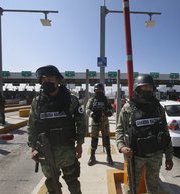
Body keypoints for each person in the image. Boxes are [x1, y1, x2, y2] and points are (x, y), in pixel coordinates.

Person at [27, 65, 86, 194]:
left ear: (58, 80)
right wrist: (33, 148)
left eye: (50, 78)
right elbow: (32, 126)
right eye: (44, 79)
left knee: (73, 184)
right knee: (52, 186)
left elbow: (81, 122)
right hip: (46, 152)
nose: (47, 81)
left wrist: (80, 144)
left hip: (67, 151)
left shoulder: (71, 100)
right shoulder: (37, 102)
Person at [116, 74, 174, 194]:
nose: (148, 89)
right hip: (135, 156)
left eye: (150, 87)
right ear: (137, 88)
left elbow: (165, 133)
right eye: (145, 87)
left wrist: (169, 157)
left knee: (153, 188)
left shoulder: (158, 108)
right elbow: (119, 130)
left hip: (156, 155)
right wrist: (121, 147)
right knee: (132, 189)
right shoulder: (128, 108)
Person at [86, 83, 114, 166]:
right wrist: (92, 114)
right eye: (97, 90)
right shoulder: (92, 99)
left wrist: (108, 112)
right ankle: (92, 156)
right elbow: (87, 109)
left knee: (106, 139)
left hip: (105, 123)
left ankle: (109, 156)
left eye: (100, 90)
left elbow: (111, 110)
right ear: (94, 90)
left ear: (103, 90)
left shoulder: (106, 99)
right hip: (95, 122)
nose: (99, 91)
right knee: (94, 139)